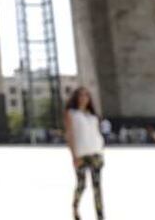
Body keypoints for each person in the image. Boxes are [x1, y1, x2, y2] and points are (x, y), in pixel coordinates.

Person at [64, 87, 105, 220]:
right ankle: (75, 208)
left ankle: (100, 216)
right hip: (81, 155)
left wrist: (101, 149)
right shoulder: (71, 113)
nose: (84, 98)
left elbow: (95, 133)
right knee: (82, 185)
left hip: (96, 153)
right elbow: (69, 135)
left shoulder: (92, 115)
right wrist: (74, 156)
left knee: (97, 188)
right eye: (81, 95)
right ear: (76, 98)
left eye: (86, 96)